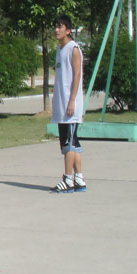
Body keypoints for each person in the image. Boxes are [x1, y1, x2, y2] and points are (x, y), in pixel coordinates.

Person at [50, 15, 86, 193]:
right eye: (55, 26)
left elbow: (77, 76)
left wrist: (72, 101)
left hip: (70, 105)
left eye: (60, 26)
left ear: (68, 30)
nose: (56, 30)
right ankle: (79, 178)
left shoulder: (74, 49)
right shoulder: (60, 49)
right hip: (61, 105)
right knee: (72, 143)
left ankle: (67, 179)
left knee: (68, 144)